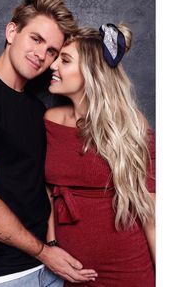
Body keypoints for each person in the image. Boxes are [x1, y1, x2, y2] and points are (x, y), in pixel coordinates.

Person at [0, 0, 98, 286]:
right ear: (12, 32)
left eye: (51, 50)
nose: (42, 54)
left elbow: (41, 188)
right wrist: (44, 253)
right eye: (35, 39)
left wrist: (50, 247)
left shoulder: (37, 109)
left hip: (48, 265)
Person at [44, 24, 155, 287]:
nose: (52, 65)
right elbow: (48, 193)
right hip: (69, 270)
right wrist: (51, 245)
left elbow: (151, 209)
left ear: (90, 71)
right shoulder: (50, 121)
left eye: (65, 60)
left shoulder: (130, 123)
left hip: (128, 268)